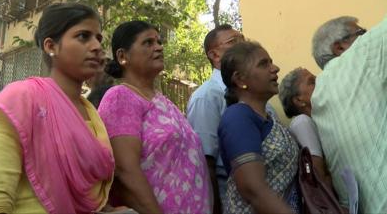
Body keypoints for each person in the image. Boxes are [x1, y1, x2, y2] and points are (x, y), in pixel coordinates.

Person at [0, 3, 115, 213]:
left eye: (98, 38)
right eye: (83, 36)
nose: (96, 47)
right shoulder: (22, 99)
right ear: (50, 46)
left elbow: (92, 194)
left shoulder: (92, 113)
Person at [98, 20, 212, 214]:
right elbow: (125, 172)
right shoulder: (120, 97)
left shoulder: (164, 102)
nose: (159, 47)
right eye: (148, 43)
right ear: (123, 56)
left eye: (159, 42)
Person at [311, 15, 387, 213]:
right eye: (362, 33)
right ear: (340, 47)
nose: (367, 36)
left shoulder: (318, 93)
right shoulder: (360, 56)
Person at [218, 41, 300, 214]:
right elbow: (252, 189)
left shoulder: (268, 118)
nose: (275, 68)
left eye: (271, 62)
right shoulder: (238, 117)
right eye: (264, 64)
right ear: (240, 79)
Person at [186, 24, 244, 213]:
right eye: (233, 41)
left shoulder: (248, 90)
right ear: (214, 55)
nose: (241, 45)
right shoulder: (207, 97)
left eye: (242, 39)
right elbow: (205, 161)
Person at [278, 67, 332, 187]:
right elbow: (318, 178)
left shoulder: (314, 120)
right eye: (312, 82)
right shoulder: (302, 123)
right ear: (299, 100)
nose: (319, 82)